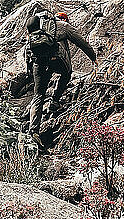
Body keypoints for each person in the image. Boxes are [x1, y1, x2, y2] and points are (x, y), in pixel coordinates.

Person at [26, 10, 97, 144]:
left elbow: (28, 49)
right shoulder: (63, 26)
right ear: (64, 19)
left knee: (38, 95)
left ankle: (33, 130)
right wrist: (93, 57)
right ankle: (54, 100)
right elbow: (81, 42)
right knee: (67, 73)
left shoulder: (38, 28)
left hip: (38, 63)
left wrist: (30, 70)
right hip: (56, 60)